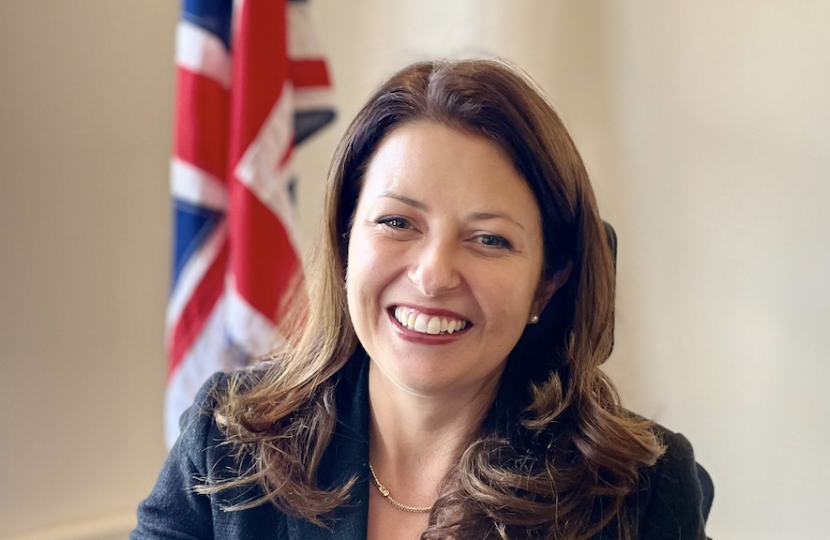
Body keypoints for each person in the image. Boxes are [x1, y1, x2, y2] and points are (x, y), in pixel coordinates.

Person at [133, 59, 708, 540]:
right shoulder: (229, 441)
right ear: (344, 243)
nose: (433, 276)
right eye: (397, 222)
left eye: (489, 239)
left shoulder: (642, 493)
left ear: (549, 279)